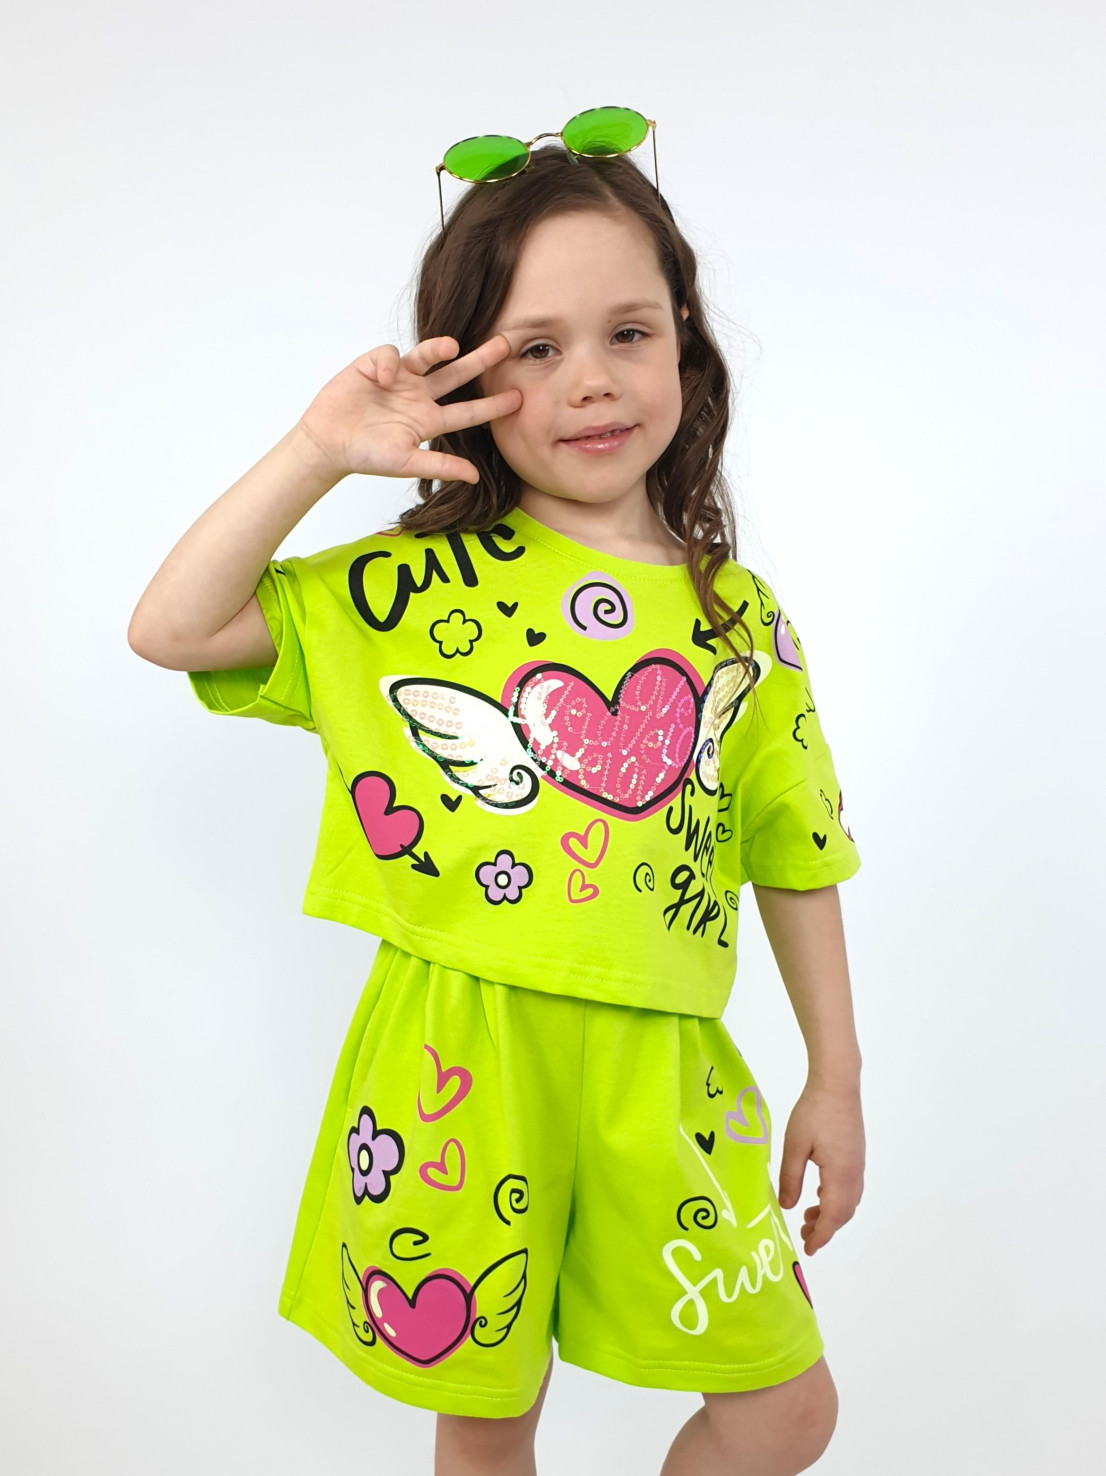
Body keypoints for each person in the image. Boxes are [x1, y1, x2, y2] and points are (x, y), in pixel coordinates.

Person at [128, 118, 865, 1476]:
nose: (590, 381)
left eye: (627, 333)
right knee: (486, 1415)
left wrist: (837, 1073)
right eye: (534, 349)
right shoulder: (406, 589)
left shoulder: (740, 617)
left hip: (667, 1073)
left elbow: (794, 846)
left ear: (686, 345)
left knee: (785, 1410)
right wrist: (317, 450)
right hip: (461, 1061)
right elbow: (171, 629)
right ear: (460, 376)